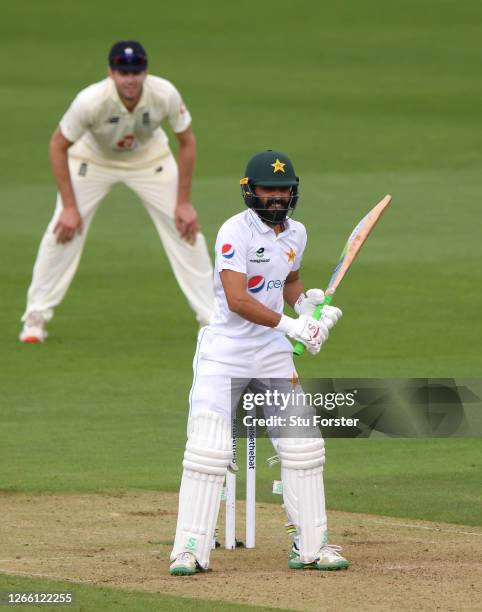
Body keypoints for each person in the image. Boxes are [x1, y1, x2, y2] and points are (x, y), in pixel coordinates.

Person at [169, 149, 349, 575]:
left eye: (284, 189)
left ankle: (311, 546)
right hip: (226, 350)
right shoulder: (235, 232)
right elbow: (236, 299)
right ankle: (189, 549)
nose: (277, 197)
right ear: (250, 191)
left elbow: (289, 278)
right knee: (209, 450)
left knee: (304, 446)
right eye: (269, 189)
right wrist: (292, 327)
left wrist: (308, 308)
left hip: (271, 353)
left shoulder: (296, 233)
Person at [19, 41, 214, 343]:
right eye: (123, 72)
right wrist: (70, 207)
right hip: (92, 160)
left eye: (136, 71)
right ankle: (35, 318)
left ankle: (212, 320)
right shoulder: (90, 100)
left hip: (149, 159)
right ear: (111, 73)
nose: (130, 79)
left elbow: (187, 142)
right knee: (62, 230)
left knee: (186, 229)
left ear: (145, 72)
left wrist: (184, 202)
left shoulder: (164, 93)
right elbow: (57, 147)